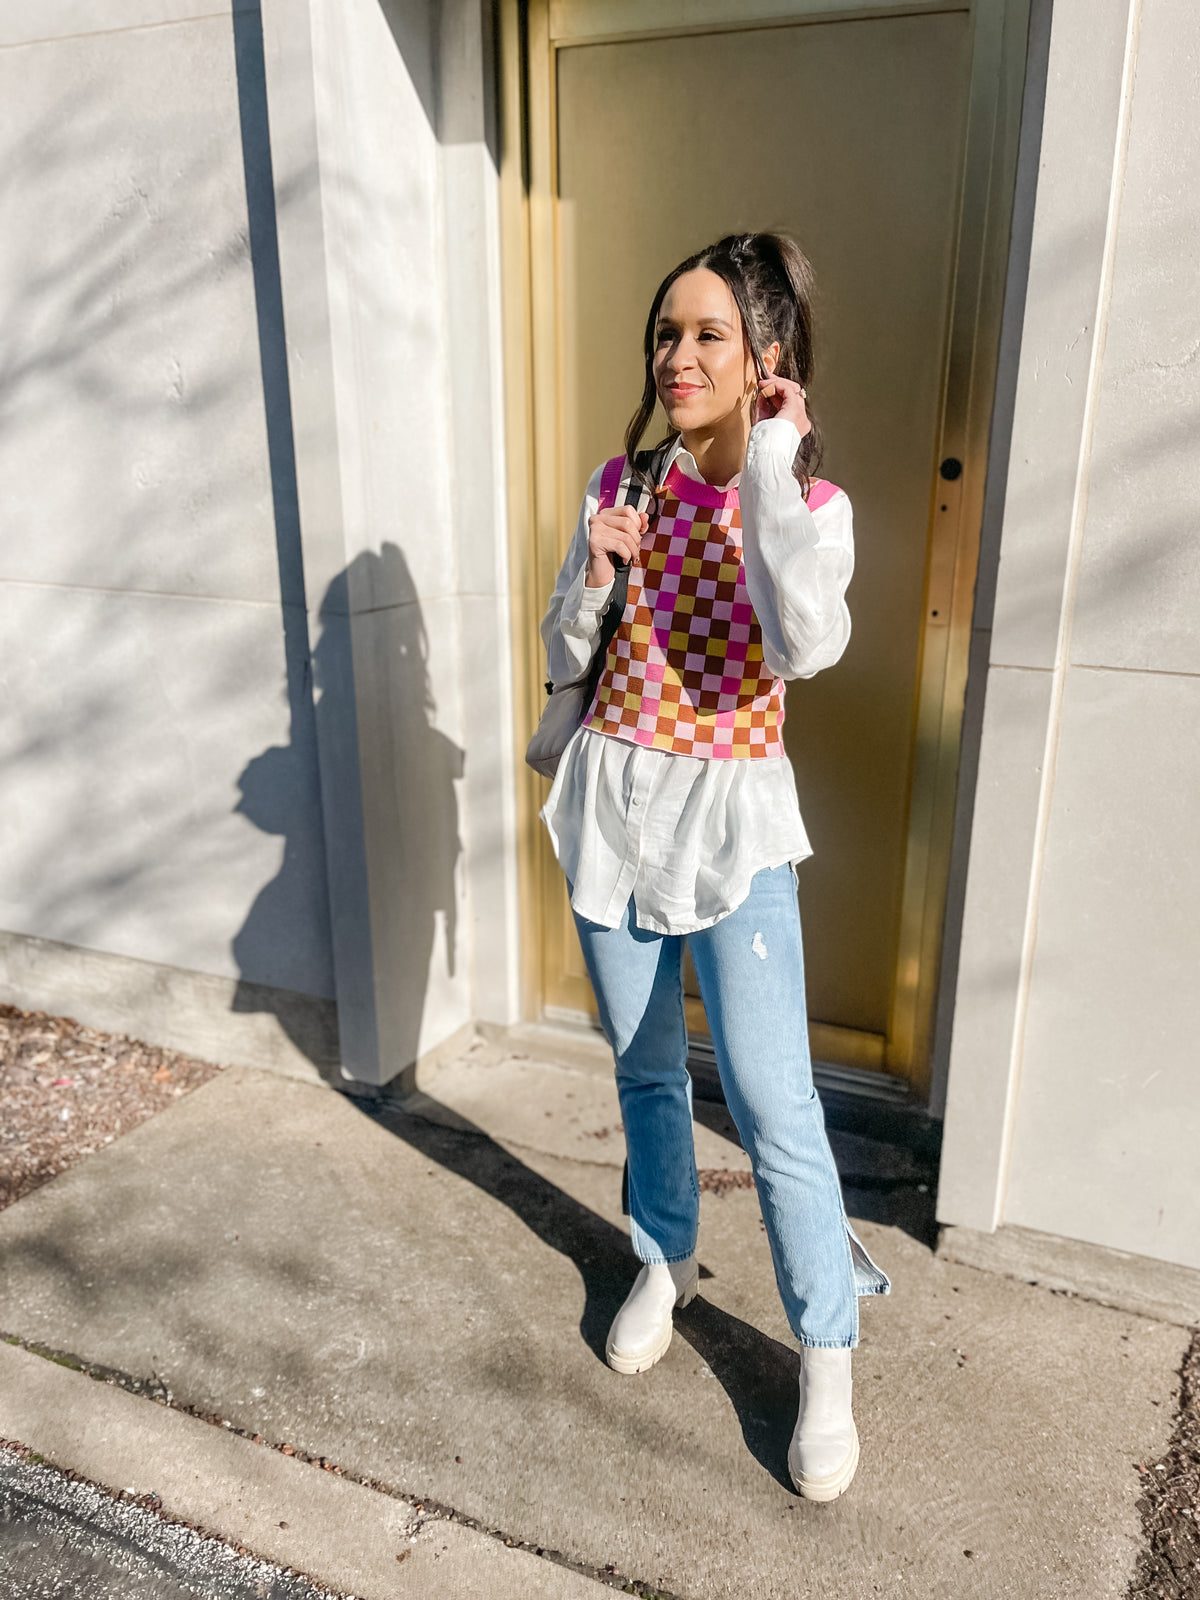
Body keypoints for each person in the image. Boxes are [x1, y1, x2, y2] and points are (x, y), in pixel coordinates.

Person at [538, 232, 890, 1502]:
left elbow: (805, 644)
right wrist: (592, 576)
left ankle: (827, 1348)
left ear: (765, 361)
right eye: (667, 334)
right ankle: (662, 1258)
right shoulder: (622, 478)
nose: (676, 358)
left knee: (772, 1098)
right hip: (614, 806)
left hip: (731, 827)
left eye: (708, 337)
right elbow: (564, 647)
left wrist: (779, 474)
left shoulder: (808, 505)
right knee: (640, 1067)